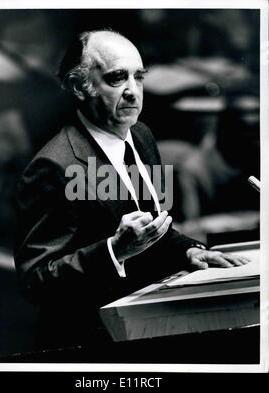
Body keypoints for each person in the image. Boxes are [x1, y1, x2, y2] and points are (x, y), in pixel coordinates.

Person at [14, 29, 249, 350]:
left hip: (153, 318)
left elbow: (154, 227)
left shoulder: (141, 135)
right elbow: (36, 282)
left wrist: (189, 250)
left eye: (138, 77)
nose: (132, 91)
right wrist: (114, 250)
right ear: (78, 87)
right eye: (116, 78)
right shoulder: (54, 166)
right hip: (92, 340)